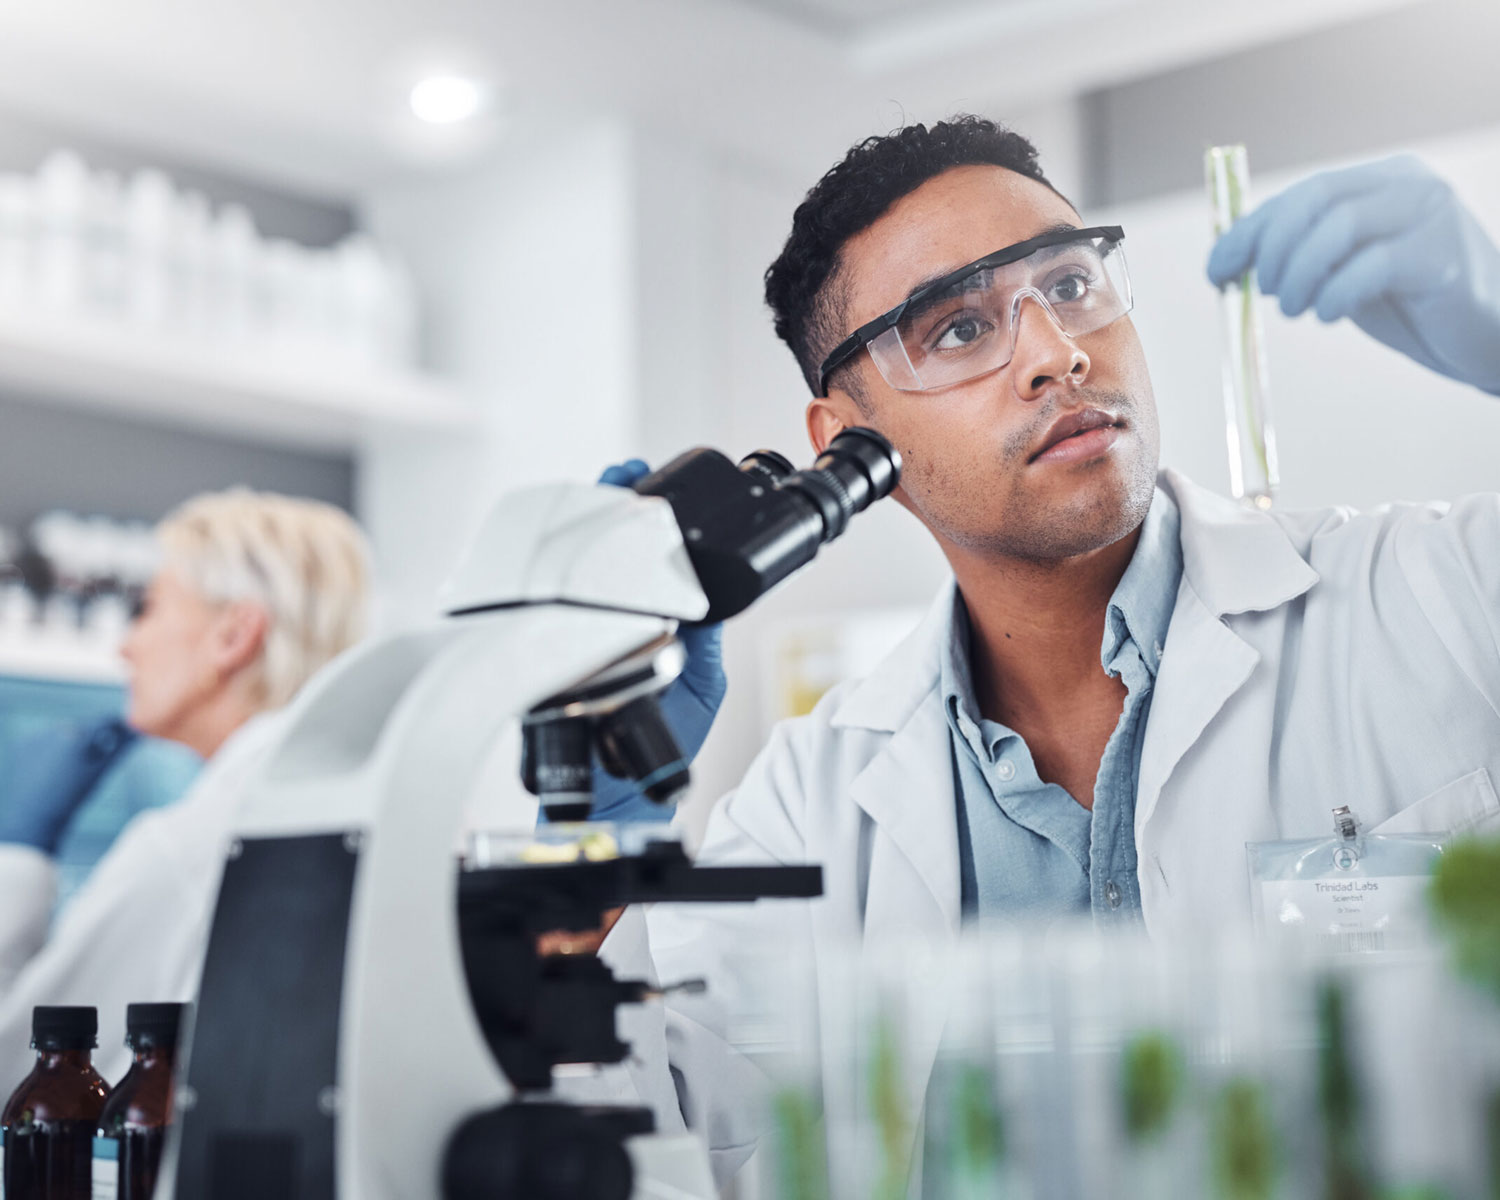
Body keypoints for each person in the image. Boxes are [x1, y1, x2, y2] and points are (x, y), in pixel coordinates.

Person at [603, 119, 1500, 1183]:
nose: (1054, 353)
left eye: (1070, 285)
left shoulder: (1440, 595)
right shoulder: (811, 801)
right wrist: (592, 839)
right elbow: (662, 1147)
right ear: (843, 436)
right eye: (958, 329)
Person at [0, 489, 370, 1084]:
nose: (127, 644)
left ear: (233, 635)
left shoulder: (193, 841)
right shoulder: (350, 796)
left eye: (148, 609)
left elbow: (20, 1065)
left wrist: (20, 854)